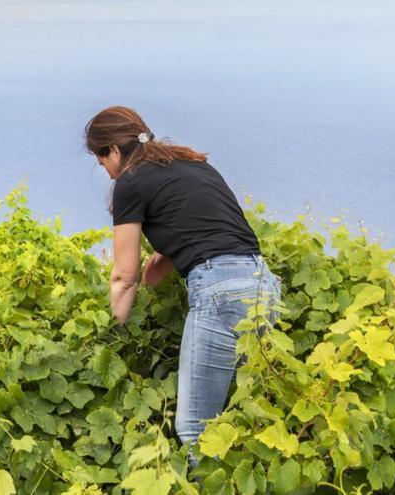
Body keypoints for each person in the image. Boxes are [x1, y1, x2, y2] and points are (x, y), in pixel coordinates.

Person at [84, 106, 282, 453]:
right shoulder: (193, 164)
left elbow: (123, 276)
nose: (107, 173)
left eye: (103, 163)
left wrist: (115, 333)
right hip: (262, 285)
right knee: (240, 418)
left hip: (221, 293)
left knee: (194, 429)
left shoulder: (130, 183)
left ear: (113, 150)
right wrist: (157, 269)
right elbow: (200, 229)